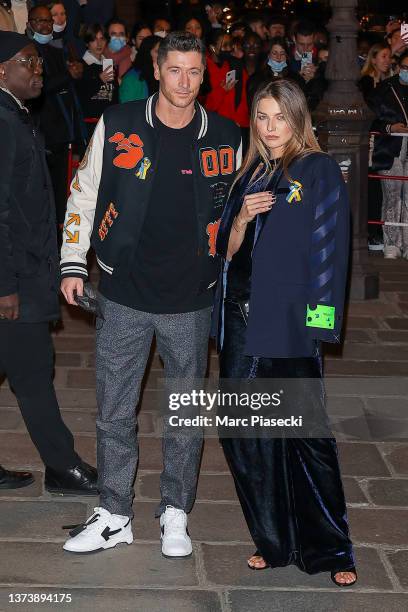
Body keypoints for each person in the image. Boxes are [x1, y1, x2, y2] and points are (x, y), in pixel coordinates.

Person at [59, 31, 242, 555]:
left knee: (184, 413)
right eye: (175, 70)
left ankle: (176, 511)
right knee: (114, 409)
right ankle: (115, 511)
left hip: (192, 298)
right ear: (157, 71)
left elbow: (243, 213)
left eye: (194, 72)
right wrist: (73, 263)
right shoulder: (118, 124)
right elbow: (84, 193)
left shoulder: (226, 136)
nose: (184, 82)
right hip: (123, 292)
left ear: (203, 76)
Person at [213, 79, 357, 587]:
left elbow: (330, 252)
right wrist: (241, 221)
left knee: (306, 435)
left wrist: (318, 328)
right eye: (262, 118)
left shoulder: (318, 170)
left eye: (279, 118)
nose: (270, 128)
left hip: (289, 323)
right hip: (240, 321)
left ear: (298, 120)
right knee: (245, 437)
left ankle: (332, 549)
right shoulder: (248, 172)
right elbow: (225, 254)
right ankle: (273, 542)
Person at [0, 30, 97, 495]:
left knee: (19, 365)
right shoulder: (2, 123)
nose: (38, 70)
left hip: (25, 268)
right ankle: (63, 467)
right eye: (28, 62)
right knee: (35, 369)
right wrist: (5, 285)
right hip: (13, 277)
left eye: (39, 62)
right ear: (1, 71)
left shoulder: (15, 116)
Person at [27, 4, 87, 227]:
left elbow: (70, 85)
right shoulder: (27, 52)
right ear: (29, 24)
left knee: (62, 192)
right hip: (41, 132)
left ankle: (60, 239)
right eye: (40, 21)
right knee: (43, 191)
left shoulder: (58, 49)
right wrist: (67, 76)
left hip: (62, 132)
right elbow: (38, 87)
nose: (45, 26)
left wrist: (76, 73)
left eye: (48, 21)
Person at [369, 51, 408, 259]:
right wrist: (390, 127)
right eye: (405, 67)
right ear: (398, 67)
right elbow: (370, 120)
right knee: (392, 197)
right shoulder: (384, 90)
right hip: (390, 150)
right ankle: (391, 244)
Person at [76, 23, 118, 134]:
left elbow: (113, 96)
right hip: (90, 124)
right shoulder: (81, 66)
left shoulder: (108, 64)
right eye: (94, 39)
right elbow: (80, 95)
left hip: (110, 122)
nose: (99, 44)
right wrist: (98, 80)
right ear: (87, 43)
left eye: (102, 39)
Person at [119, 35, 160, 103]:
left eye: (163, 51)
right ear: (147, 52)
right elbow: (125, 109)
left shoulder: (163, 74)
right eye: (157, 51)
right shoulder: (132, 78)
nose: (162, 55)